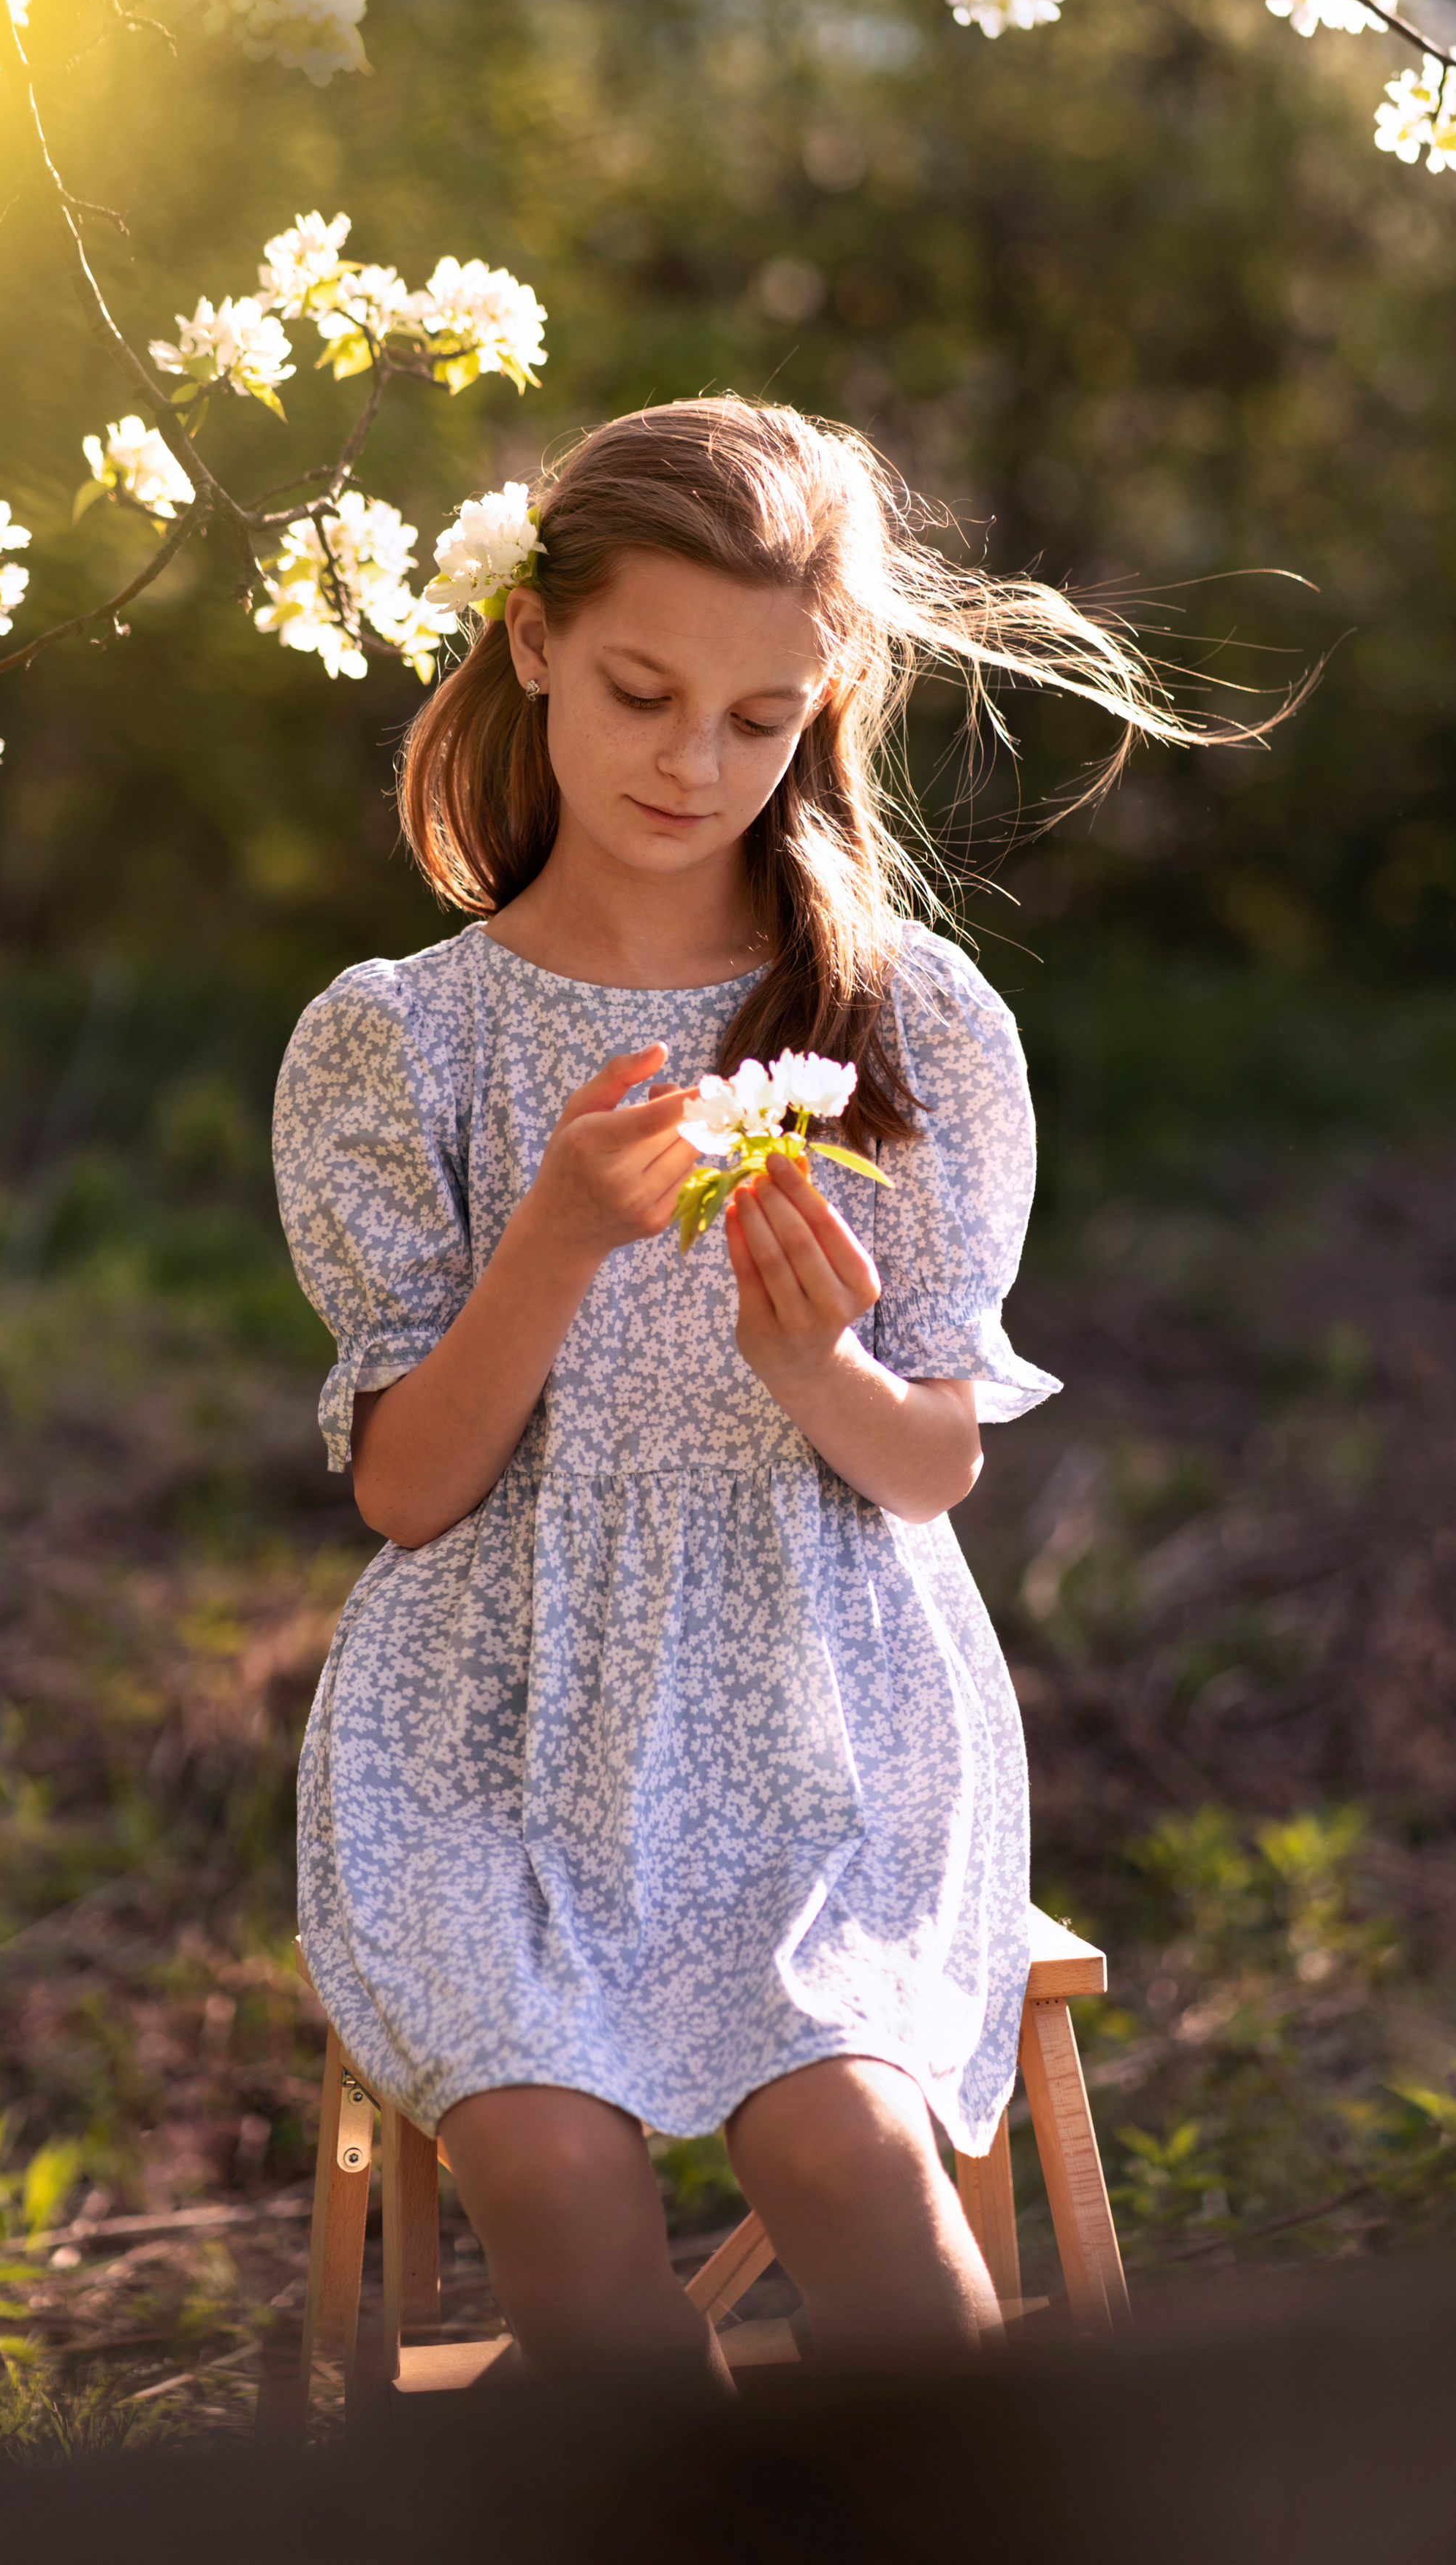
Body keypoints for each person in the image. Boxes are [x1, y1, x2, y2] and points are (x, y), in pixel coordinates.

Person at [273, 397, 1192, 2380]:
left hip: (823, 1710)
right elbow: (409, 1491)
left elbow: (931, 1462)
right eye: (641, 691)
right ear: (532, 642)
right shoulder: (395, 1045)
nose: (696, 762)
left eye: (759, 719)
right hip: (490, 1736)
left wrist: (817, 1365)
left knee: (856, 2156)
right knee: (549, 2178)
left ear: (829, 701)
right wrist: (559, 1242)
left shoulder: (902, 1019)